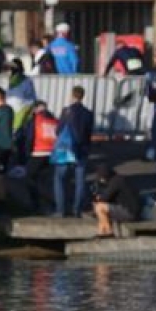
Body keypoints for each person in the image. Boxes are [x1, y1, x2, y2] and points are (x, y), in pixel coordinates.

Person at [53, 85, 94, 217]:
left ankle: (61, 210)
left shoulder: (66, 111)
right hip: (82, 150)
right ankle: (77, 210)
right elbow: (89, 133)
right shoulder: (88, 113)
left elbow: (58, 131)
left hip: (66, 150)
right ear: (83, 96)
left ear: (72, 95)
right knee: (80, 181)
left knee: (60, 179)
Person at [90, 163, 140, 237]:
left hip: (129, 212)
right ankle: (101, 232)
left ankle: (108, 232)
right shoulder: (119, 179)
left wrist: (97, 198)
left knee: (100, 207)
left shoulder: (115, 182)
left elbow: (104, 198)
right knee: (101, 210)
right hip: (132, 210)